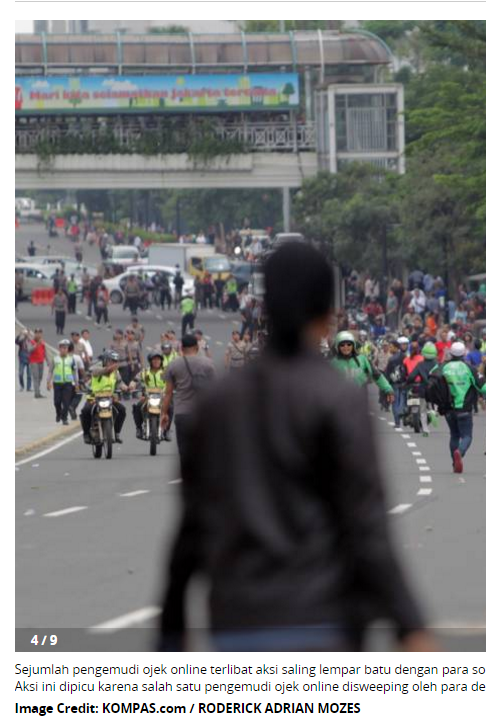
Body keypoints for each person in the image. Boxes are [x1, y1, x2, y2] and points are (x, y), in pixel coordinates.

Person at [159, 242, 432, 653]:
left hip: (237, 620)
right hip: (324, 621)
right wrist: (409, 626)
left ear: (264, 305)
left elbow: (192, 530)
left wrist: (170, 633)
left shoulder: (219, 403)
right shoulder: (337, 398)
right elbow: (365, 525)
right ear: (327, 315)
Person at [439, 341, 486, 473]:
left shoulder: (443, 367)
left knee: (454, 436)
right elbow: (483, 386)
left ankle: (454, 463)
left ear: (451, 353)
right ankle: (460, 452)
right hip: (464, 409)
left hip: (448, 409)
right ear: (464, 353)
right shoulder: (469, 368)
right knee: (467, 436)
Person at [161, 334, 217, 465]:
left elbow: (168, 393)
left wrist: (164, 413)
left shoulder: (173, 365)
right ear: (197, 347)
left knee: (184, 449)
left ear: (181, 348)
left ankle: (188, 477)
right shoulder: (208, 363)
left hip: (182, 413)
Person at [330, 331, 395, 403]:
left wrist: (388, 390)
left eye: (349, 344)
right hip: (340, 401)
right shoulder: (333, 363)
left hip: (360, 400)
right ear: (338, 347)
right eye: (342, 345)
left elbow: (376, 375)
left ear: (353, 346)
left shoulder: (362, 359)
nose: (346, 347)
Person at [79, 352, 126, 444]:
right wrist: (108, 369)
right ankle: (86, 434)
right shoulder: (96, 368)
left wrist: (126, 387)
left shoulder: (116, 372)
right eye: (111, 361)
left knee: (122, 410)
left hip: (109, 398)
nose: (114, 363)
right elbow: (95, 373)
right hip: (94, 397)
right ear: (105, 360)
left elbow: (120, 383)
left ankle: (116, 434)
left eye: (115, 362)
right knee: (85, 411)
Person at [132, 350, 168, 440]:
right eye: (154, 359)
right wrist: (131, 386)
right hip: (147, 397)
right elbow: (135, 381)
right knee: (137, 407)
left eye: (158, 359)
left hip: (163, 397)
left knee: (171, 408)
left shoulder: (166, 372)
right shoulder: (144, 372)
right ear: (150, 361)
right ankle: (139, 428)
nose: (156, 361)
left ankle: (167, 431)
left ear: (161, 361)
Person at [406, 342, 440, 436]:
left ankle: (425, 430)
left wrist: (407, 382)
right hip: (435, 390)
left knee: (422, 410)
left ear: (423, 353)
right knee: (434, 407)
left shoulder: (420, 365)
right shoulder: (437, 365)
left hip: (423, 389)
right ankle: (433, 412)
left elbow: (412, 376)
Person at [46, 339, 79, 425]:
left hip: (68, 383)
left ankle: (64, 418)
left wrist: (76, 384)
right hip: (57, 383)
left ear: (68, 349)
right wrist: (48, 382)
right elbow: (50, 371)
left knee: (66, 402)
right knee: (57, 402)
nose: (64, 350)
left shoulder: (71, 359)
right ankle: (58, 413)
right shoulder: (55, 359)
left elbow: (74, 372)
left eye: (66, 348)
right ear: (59, 348)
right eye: (62, 348)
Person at [385, 338, 409, 427]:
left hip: (394, 383)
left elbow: (388, 373)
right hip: (403, 382)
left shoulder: (391, 359)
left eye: (391, 347)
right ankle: (401, 412)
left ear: (396, 347)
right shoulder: (405, 356)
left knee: (394, 402)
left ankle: (397, 422)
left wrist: (386, 384)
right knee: (403, 400)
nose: (390, 349)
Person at [28, 328, 47, 399]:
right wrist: (36, 344)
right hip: (34, 362)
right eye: (37, 333)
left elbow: (44, 351)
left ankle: (37, 391)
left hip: (41, 361)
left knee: (40, 377)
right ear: (35, 334)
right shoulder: (31, 341)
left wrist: (47, 361)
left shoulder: (42, 342)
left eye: (40, 333)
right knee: (36, 377)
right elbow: (29, 350)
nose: (38, 334)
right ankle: (37, 393)